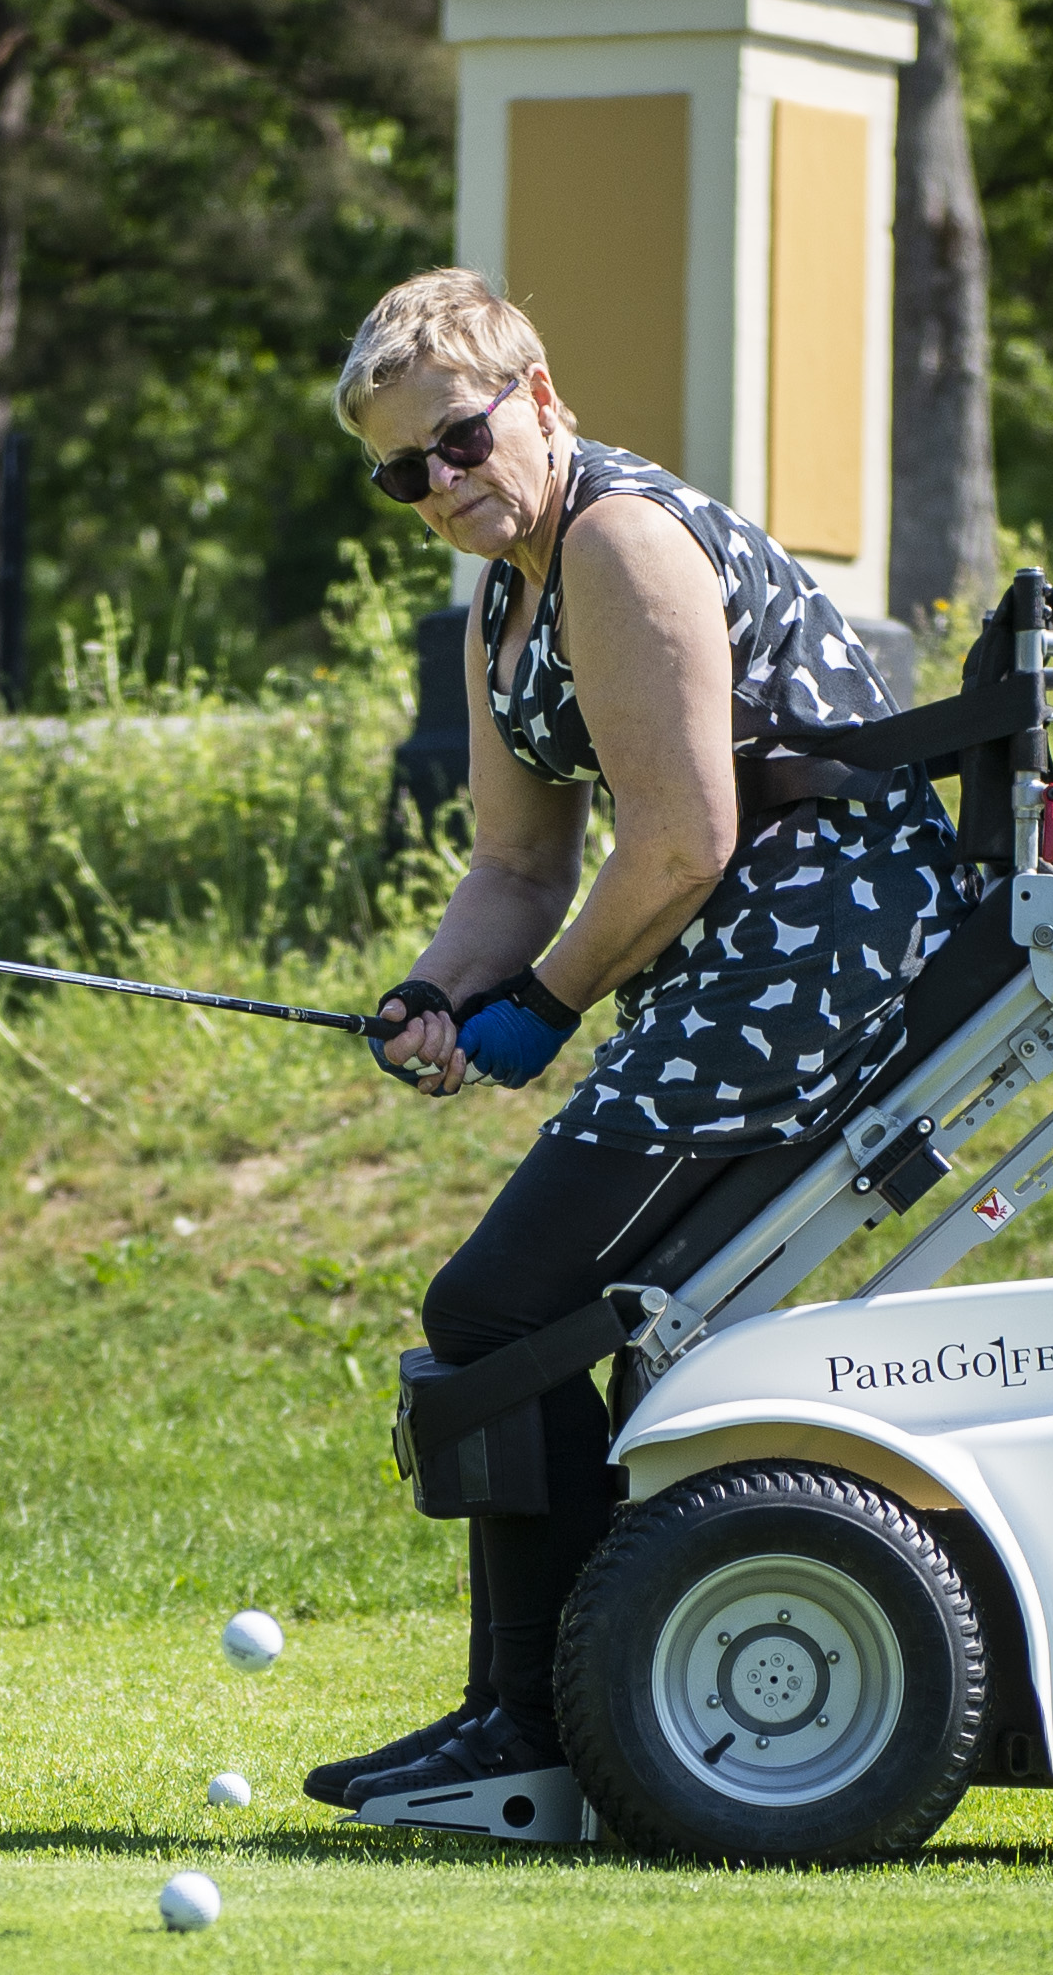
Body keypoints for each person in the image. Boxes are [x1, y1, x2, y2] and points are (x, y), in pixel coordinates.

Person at [310, 269, 971, 1819]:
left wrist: (535, 1007)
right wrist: (436, 988)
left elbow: (680, 843)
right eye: (403, 473)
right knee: (533, 1316)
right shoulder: (505, 593)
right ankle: (570, 1717)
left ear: (538, 395)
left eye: (461, 440)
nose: (441, 486)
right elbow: (517, 869)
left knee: (500, 1309)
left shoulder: (617, 539)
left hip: (818, 957)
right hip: (723, 972)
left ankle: (534, 1724)